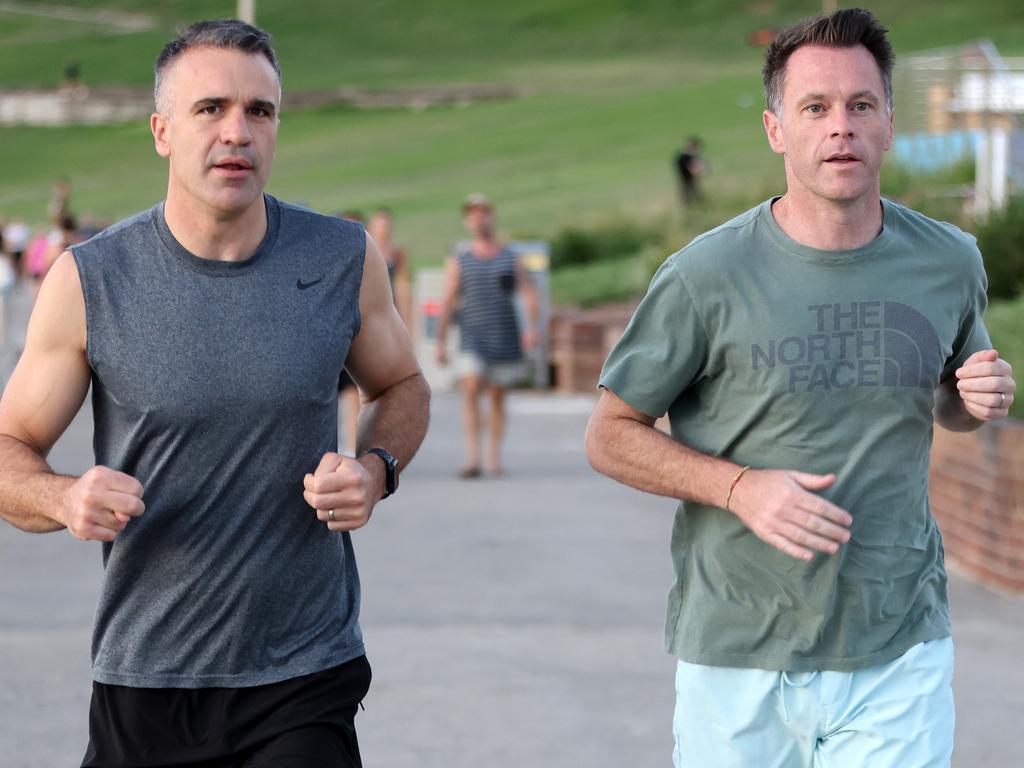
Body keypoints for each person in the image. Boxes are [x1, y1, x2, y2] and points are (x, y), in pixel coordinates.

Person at [585, 9, 1016, 767]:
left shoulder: (950, 260)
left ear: (890, 122)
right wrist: (740, 487)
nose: (839, 127)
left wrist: (975, 399)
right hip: (737, 652)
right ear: (776, 128)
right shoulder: (703, 276)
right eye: (814, 107)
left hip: (896, 645)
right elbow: (610, 433)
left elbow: (948, 402)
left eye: (860, 105)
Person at [0, 19, 430, 768]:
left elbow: (402, 384)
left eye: (259, 112)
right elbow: (9, 451)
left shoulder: (340, 258)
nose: (238, 131)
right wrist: (64, 498)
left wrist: (376, 467)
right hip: (147, 676)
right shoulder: (89, 280)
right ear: (162, 130)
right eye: (211, 109)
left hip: (305, 670)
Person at [436, 193, 539, 478]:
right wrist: (441, 341)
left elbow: (528, 292)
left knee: (496, 395)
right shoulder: (460, 260)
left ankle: (493, 456)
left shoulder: (510, 257)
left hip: (504, 334)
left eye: (483, 212)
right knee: (470, 388)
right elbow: (448, 300)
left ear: (491, 216)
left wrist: (531, 328)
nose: (478, 218)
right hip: (473, 336)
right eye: (472, 214)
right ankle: (472, 455)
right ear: (467, 221)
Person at [367, 206, 412, 330]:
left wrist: (406, 319)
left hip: (390, 309)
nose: (383, 229)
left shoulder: (396, 252)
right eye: (379, 225)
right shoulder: (365, 249)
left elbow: (402, 285)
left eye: (386, 225)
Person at [674, 136, 705, 206]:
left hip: (688, 180)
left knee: (691, 197)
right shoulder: (684, 157)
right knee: (686, 198)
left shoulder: (688, 156)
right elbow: (693, 169)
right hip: (685, 180)